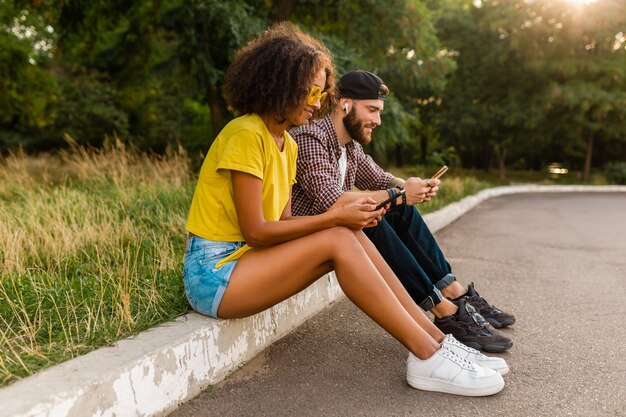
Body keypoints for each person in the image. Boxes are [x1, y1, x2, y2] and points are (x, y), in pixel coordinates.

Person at [183, 23, 507, 396]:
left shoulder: (287, 145)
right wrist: (336, 217)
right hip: (214, 273)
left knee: (346, 233)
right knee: (339, 235)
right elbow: (256, 230)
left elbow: (287, 220)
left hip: (250, 263)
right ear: (281, 83)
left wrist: (348, 218)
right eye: (312, 90)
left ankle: (437, 341)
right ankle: (426, 354)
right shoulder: (245, 134)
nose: (318, 101)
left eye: (322, 91)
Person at [290, 70, 515, 353]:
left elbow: (380, 179)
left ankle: (454, 293)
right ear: (345, 103)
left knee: (400, 210)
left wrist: (411, 187)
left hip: (335, 232)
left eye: (379, 111)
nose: (377, 120)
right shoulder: (312, 138)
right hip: (304, 236)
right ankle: (444, 312)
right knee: (375, 216)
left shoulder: (350, 147)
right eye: (372, 110)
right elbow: (332, 201)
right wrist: (398, 196)